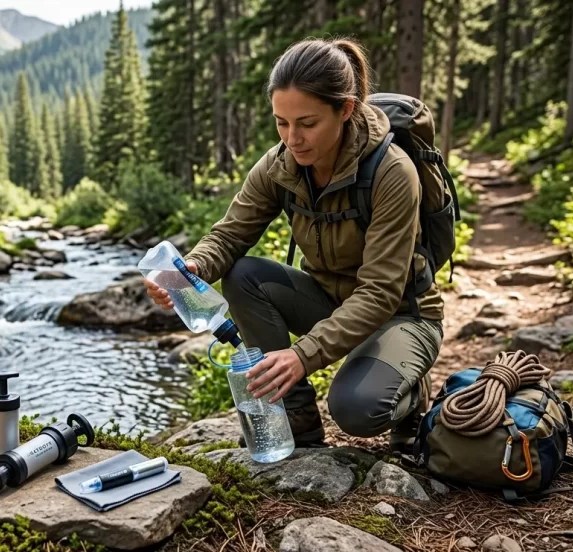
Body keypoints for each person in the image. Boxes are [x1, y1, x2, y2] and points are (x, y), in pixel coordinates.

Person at [143, 38, 444, 453]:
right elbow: (230, 235)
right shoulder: (280, 164)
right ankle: (297, 422)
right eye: (281, 122)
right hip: (328, 300)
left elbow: (380, 292)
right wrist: (192, 268)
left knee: (357, 410)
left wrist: (303, 354)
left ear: (346, 110)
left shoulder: (393, 172)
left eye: (307, 122)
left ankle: (410, 394)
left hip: (401, 314)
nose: (293, 138)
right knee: (244, 274)